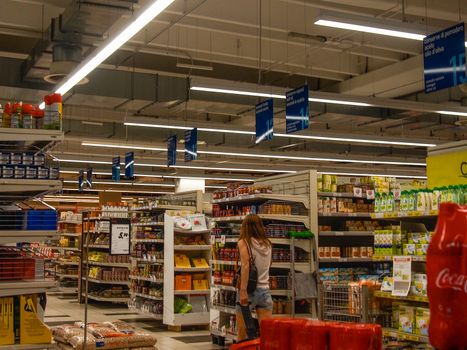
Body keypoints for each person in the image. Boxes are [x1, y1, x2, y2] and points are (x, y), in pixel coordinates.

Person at [236, 214, 272, 341]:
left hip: (249, 292)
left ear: (245, 226)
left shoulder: (243, 243)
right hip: (265, 292)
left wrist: (243, 291)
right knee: (267, 334)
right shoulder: (268, 244)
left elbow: (245, 266)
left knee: (242, 333)